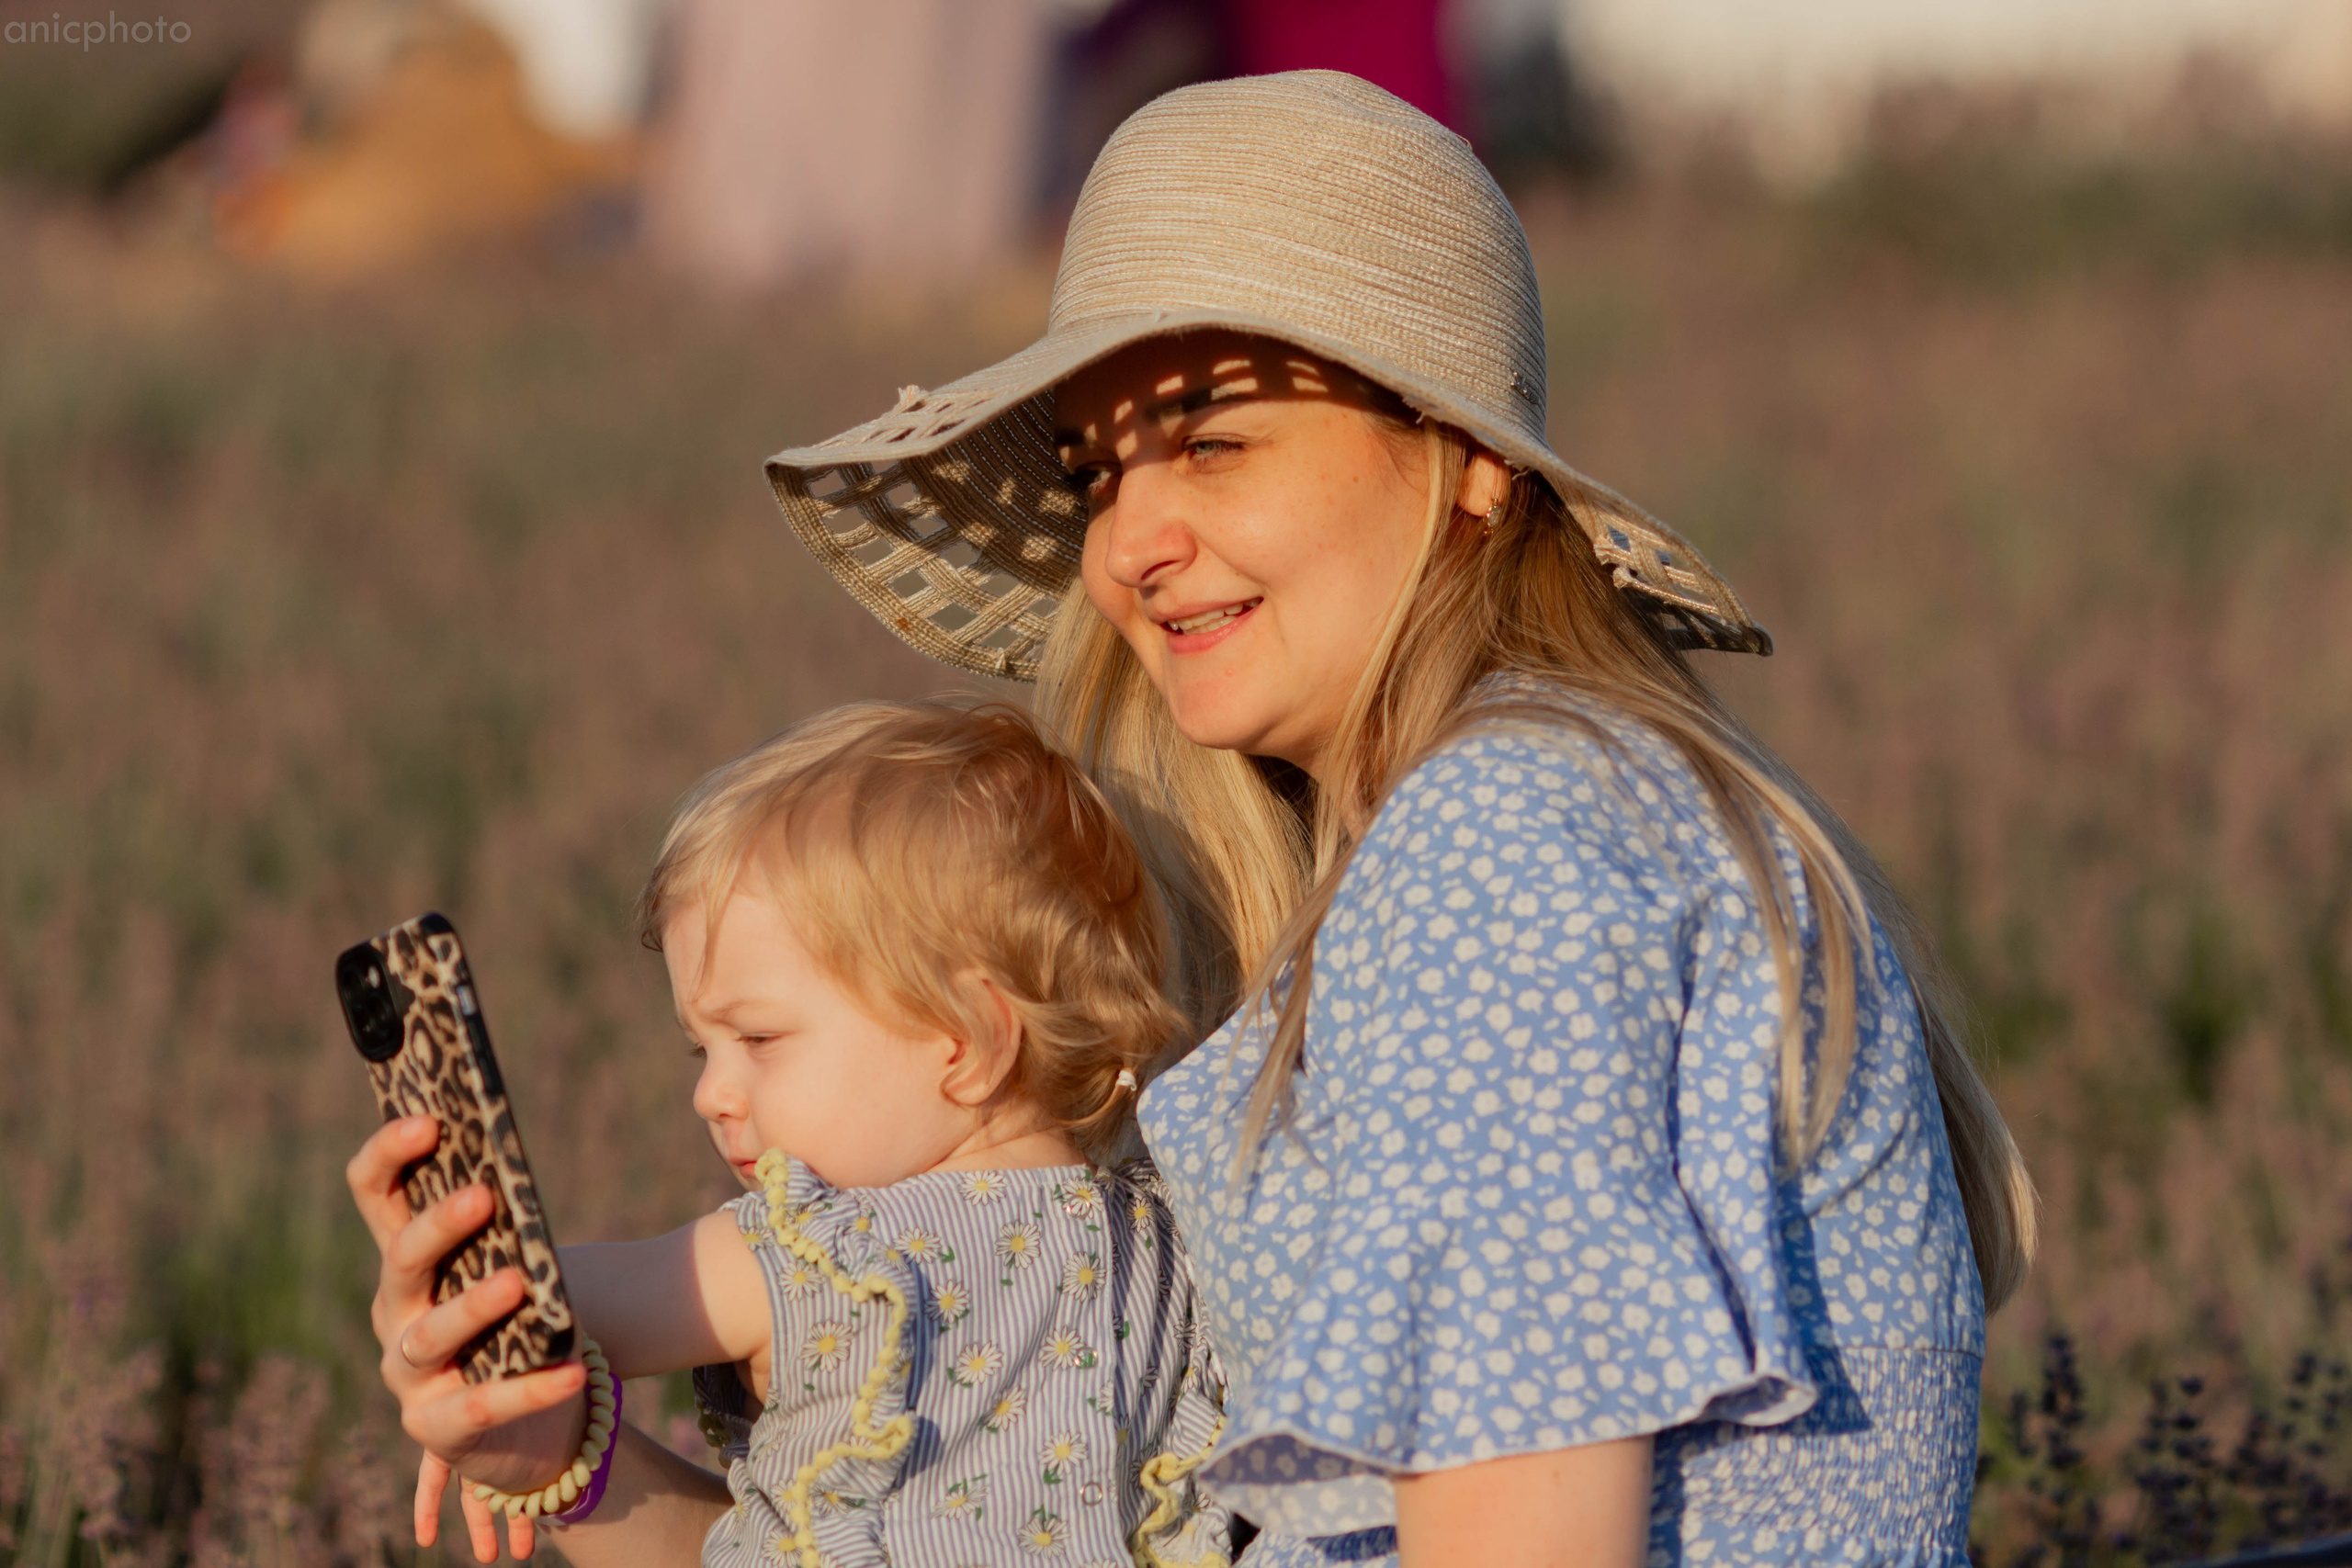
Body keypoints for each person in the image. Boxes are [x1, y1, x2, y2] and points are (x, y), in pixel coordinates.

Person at [352, 69, 2036, 1567]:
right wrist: (564, 1455)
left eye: (1215, 443)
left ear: (1469, 461)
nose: (1130, 541)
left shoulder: (1507, 844)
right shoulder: (1466, 848)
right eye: (1101, 472)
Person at [348, 703, 1228, 1566]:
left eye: (758, 1039)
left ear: (971, 1040)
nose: (710, 1094)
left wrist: (450, 1283)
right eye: (703, 1046)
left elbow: (538, 1301)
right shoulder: (1168, 1247)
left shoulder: (827, 1251)